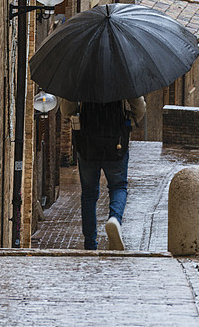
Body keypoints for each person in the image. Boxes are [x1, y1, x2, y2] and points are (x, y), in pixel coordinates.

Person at [60, 96, 146, 251]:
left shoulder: (81, 74)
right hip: (115, 140)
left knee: (89, 194)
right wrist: (126, 123)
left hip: (88, 140)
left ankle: (90, 243)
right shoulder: (122, 74)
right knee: (118, 186)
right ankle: (114, 219)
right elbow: (139, 109)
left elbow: (67, 109)